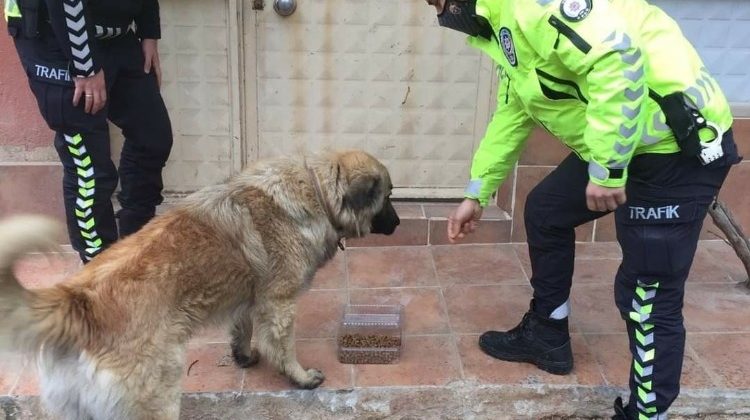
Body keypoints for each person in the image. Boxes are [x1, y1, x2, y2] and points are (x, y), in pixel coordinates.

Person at [425, 0, 741, 418]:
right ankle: (547, 333)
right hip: (625, 140)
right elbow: (515, 110)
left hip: (673, 148)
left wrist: (608, 168)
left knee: (647, 293)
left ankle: (648, 413)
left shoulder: (531, 7)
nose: (431, 6)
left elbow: (618, 58)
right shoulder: (502, 25)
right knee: (545, 211)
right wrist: (477, 193)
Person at [4, 0, 173, 262]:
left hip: (115, 37)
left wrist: (149, 32)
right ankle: (98, 267)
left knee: (153, 137)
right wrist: (86, 66)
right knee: (90, 168)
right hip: (54, 38)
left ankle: (136, 243)